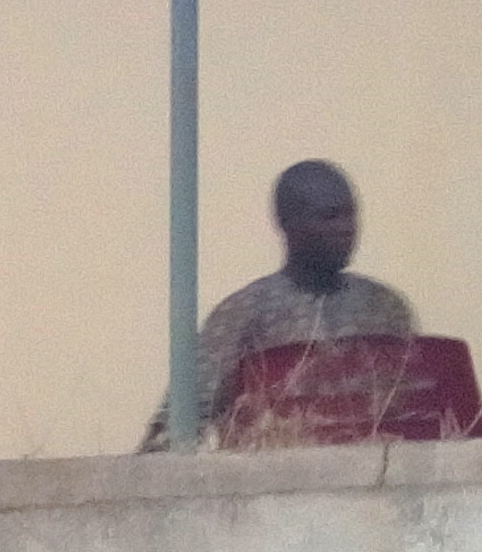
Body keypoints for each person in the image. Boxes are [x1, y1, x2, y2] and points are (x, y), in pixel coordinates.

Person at [167, 157, 418, 446]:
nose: (346, 228)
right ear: (289, 224)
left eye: (351, 215)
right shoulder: (244, 313)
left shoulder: (384, 307)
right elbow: (180, 420)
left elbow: (420, 409)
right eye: (330, 216)